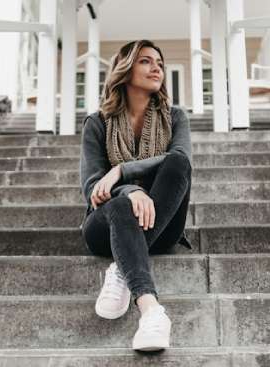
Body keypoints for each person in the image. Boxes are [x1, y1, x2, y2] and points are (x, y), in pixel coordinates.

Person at [79, 40, 192, 351]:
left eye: (159, 62)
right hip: (105, 225)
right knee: (119, 203)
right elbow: (92, 187)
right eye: (145, 61)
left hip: (163, 223)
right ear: (125, 71)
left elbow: (181, 158)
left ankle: (122, 265)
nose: (157, 67)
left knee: (178, 162)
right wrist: (131, 190)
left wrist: (121, 171)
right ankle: (152, 310)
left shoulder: (176, 117)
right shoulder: (97, 123)